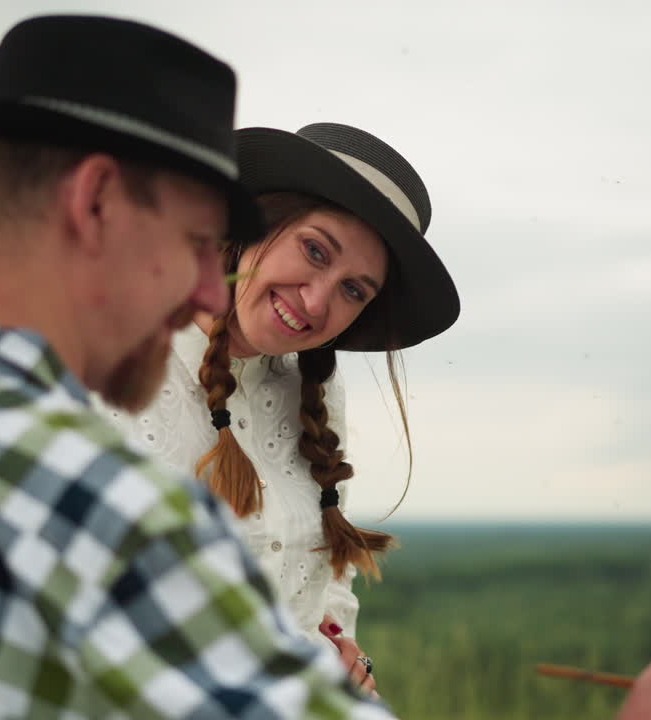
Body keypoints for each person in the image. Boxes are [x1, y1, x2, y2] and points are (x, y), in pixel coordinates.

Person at [0, 13, 651, 720]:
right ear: (93, 201)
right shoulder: (82, 499)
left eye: (355, 290)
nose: (207, 294)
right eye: (200, 242)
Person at [101, 122, 460, 696]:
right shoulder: (112, 360)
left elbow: (323, 587)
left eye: (353, 290)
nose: (317, 300)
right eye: (314, 250)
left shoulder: (315, 395)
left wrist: (345, 661)